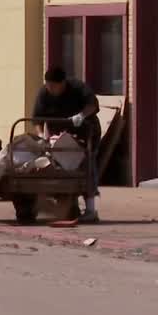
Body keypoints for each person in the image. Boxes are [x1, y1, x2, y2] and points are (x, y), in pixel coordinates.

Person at [31, 66, 101, 223]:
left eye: (54, 86)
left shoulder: (78, 88)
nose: (50, 89)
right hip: (58, 139)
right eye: (48, 85)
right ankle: (71, 204)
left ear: (63, 83)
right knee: (63, 168)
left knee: (86, 167)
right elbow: (37, 118)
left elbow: (93, 105)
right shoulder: (44, 94)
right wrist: (42, 136)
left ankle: (90, 209)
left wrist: (82, 115)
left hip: (85, 135)